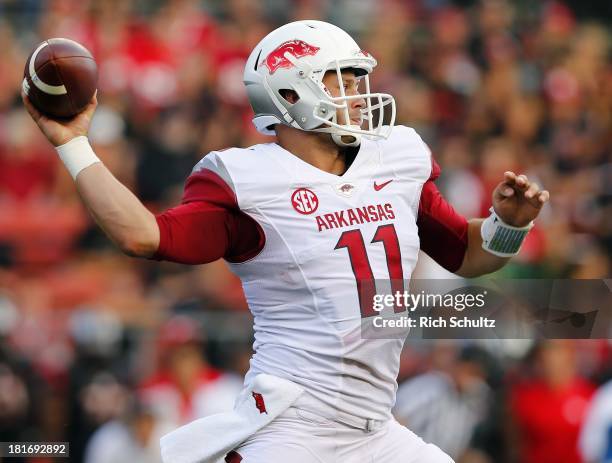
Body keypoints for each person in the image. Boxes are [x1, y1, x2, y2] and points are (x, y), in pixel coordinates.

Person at [23, 19, 549, 463]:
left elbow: (467, 254)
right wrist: (74, 146)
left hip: (375, 429)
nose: (359, 95)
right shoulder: (250, 179)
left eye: (357, 79)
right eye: (341, 81)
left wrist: (508, 224)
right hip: (294, 427)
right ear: (292, 95)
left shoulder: (397, 158)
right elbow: (144, 236)